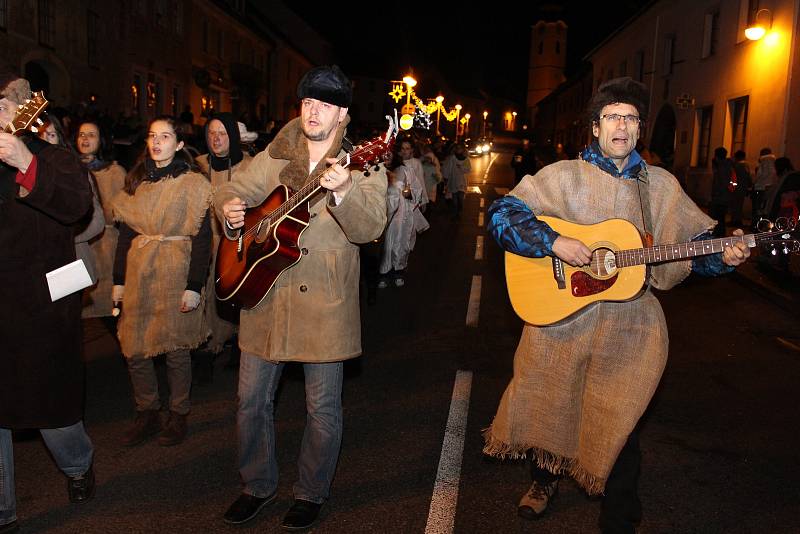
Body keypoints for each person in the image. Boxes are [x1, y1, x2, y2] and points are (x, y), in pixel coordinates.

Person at [482, 77, 750, 534]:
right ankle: (544, 482)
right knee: (554, 404)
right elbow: (503, 216)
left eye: (630, 118)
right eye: (612, 117)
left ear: (640, 129)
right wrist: (554, 242)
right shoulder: (563, 175)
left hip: (631, 326)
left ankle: (619, 518)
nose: (621, 126)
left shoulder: (660, 186)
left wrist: (723, 256)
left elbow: (687, 250)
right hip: (560, 319)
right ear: (595, 126)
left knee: (620, 417)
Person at [216, 65, 387, 531]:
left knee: (323, 409)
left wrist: (346, 190)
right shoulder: (275, 154)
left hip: (324, 302)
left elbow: (371, 228)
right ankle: (256, 484)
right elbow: (233, 189)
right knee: (250, 403)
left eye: (325, 105)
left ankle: (310, 492)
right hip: (266, 293)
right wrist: (230, 213)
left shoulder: (363, 161)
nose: (314, 112)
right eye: (309, 103)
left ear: (342, 114)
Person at [0, 70, 96, 534]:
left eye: (1, 106)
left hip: (40, 310)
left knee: (50, 412)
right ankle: (4, 510)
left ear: (25, 112)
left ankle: (78, 466)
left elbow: (79, 206)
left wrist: (25, 162)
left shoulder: (53, 158)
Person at [112, 115, 212, 448]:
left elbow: (201, 237)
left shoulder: (194, 183)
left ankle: (178, 413)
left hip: (175, 267)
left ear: (179, 143)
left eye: (165, 136)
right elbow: (126, 234)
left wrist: (194, 286)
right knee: (135, 347)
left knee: (176, 348)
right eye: (152, 136)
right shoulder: (137, 182)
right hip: (140, 271)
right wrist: (118, 282)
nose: (157, 142)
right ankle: (147, 411)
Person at [194, 113, 254, 380]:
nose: (216, 139)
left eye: (222, 133)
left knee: (235, 297)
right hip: (203, 243)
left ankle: (238, 347)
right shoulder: (197, 167)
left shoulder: (249, 168)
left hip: (236, 243)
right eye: (211, 133)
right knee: (205, 298)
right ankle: (205, 353)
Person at [38, 114, 106, 304]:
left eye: (51, 135)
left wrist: (57, 238)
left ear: (60, 139)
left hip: (66, 264)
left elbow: (96, 221)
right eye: (39, 135)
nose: (44, 141)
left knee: (63, 324)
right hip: (33, 268)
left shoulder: (73, 172)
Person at [76, 120, 128, 319]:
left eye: (91, 135)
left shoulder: (113, 172)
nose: (85, 139)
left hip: (106, 244)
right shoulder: (69, 167)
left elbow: (121, 212)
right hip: (79, 244)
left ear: (101, 140)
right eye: (81, 134)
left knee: (105, 306)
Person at [378, 143, 428, 288]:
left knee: (400, 241)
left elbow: (415, 189)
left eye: (389, 153)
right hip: (383, 213)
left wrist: (408, 192)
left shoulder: (406, 170)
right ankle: (383, 273)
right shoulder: (377, 171)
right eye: (383, 154)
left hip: (401, 213)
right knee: (386, 243)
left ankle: (398, 270)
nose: (386, 157)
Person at [441, 142, 471, 218]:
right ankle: (455, 214)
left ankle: (459, 210)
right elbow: (448, 168)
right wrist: (446, 178)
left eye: (460, 148)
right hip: (453, 180)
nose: (458, 150)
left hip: (462, 181)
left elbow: (468, 169)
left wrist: (461, 167)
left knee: (460, 198)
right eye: (457, 148)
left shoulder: (466, 159)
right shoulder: (452, 158)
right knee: (454, 200)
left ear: (463, 150)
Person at [710, 146, 735, 237]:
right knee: (720, 218)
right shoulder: (726, 165)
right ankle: (719, 234)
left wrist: (716, 194)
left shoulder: (722, 167)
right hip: (724, 197)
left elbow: (722, 183)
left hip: (720, 198)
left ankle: (718, 235)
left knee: (718, 218)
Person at [752, 147, 778, 228]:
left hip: (760, 188)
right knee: (766, 208)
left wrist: (754, 182)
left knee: (758, 208)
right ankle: (765, 225)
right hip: (770, 188)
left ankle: (757, 225)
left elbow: (759, 175)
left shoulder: (762, 162)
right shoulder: (775, 162)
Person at [730, 149, 752, 228]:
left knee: (735, 205)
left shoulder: (738, 165)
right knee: (739, 205)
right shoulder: (746, 165)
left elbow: (734, 178)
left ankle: (735, 221)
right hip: (742, 188)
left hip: (737, 188)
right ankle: (737, 220)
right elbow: (748, 177)